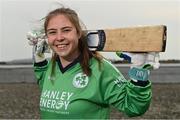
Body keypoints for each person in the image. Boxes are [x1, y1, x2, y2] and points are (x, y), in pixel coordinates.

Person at [27, 7, 160, 119]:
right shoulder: (52, 67)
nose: (59, 37)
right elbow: (42, 77)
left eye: (66, 30)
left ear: (78, 33)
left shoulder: (101, 69)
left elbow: (134, 106)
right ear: (47, 37)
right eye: (52, 32)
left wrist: (139, 70)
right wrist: (38, 55)